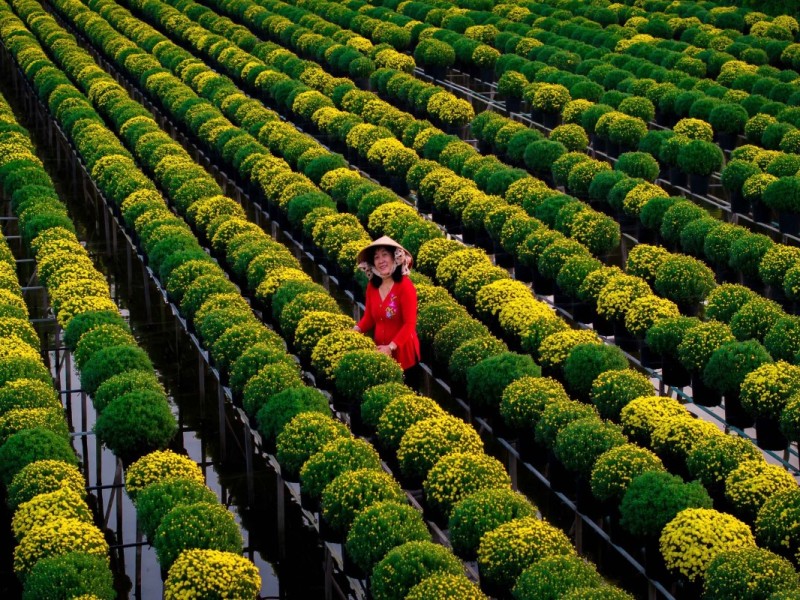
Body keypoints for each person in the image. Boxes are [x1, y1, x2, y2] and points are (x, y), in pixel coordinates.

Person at [353, 236, 421, 381]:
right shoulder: (372, 286)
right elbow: (369, 318)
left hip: (404, 355)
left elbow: (409, 324)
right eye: (376, 257)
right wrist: (354, 332)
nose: (381, 260)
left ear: (394, 257)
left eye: (385, 255)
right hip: (381, 354)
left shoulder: (405, 286)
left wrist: (390, 347)